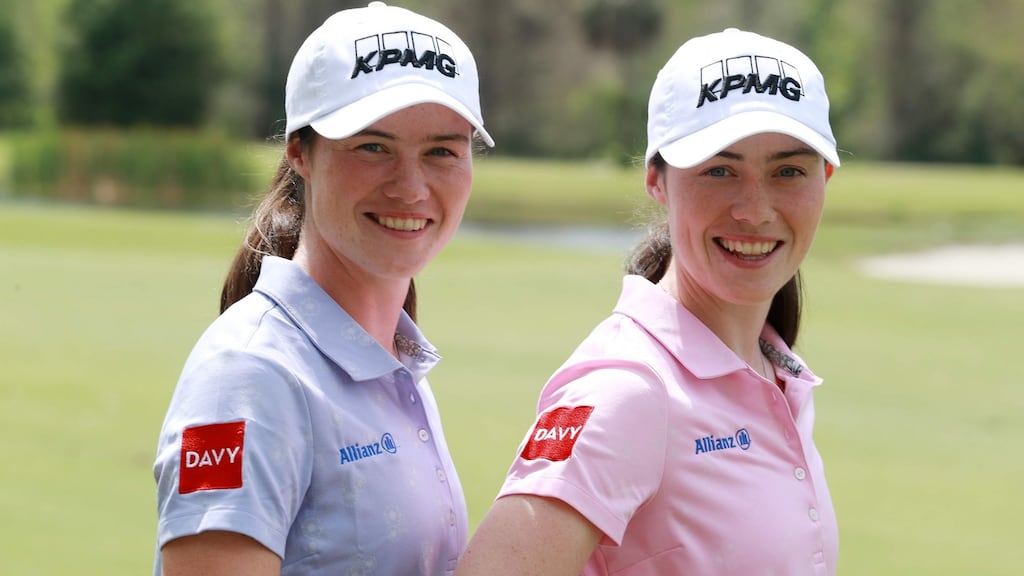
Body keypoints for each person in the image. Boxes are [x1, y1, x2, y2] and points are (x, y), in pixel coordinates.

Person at [455, 28, 841, 575]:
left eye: (788, 171)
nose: (755, 210)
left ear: (824, 178)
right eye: (719, 170)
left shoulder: (774, 369)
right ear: (657, 181)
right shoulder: (629, 390)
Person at [151, 3, 494, 575]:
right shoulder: (248, 371)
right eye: (372, 147)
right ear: (299, 152)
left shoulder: (394, 360)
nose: (411, 188)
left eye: (441, 151)